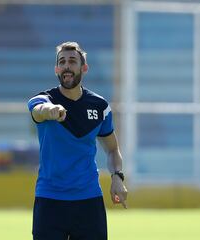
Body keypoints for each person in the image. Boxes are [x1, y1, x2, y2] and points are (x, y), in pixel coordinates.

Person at [27, 41, 128, 240]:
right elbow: (38, 112)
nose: (66, 66)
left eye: (72, 61)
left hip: (89, 200)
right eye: (62, 62)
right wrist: (51, 111)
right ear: (56, 69)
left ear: (84, 68)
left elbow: (112, 149)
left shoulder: (100, 107)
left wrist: (117, 177)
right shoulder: (44, 99)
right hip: (49, 200)